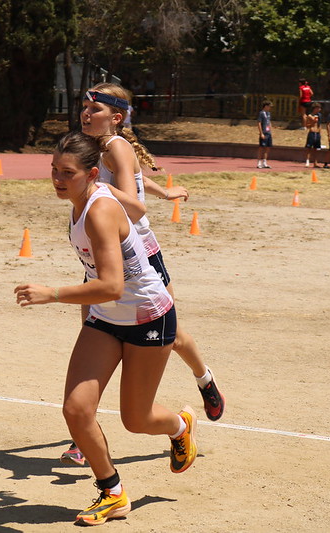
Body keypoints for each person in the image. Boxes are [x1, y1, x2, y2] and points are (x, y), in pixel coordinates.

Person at [14, 131, 198, 526]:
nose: (57, 179)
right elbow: (134, 218)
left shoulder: (99, 211)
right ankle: (112, 492)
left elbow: (113, 285)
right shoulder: (82, 201)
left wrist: (52, 294)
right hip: (106, 317)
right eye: (54, 170)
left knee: (137, 419)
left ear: (92, 174)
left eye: (67, 173)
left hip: (147, 315)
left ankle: (180, 426)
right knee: (77, 409)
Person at [59, 83, 226, 468]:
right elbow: (132, 181)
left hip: (139, 254)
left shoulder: (115, 146)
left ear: (115, 117)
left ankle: (204, 379)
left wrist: (97, 188)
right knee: (95, 333)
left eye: (95, 109)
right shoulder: (95, 148)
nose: (86, 113)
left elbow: (133, 207)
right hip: (103, 253)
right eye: (84, 106)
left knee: (170, 332)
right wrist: (163, 191)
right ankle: (83, 431)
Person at [303, 102, 322, 168]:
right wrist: (313, 123)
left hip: (317, 133)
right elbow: (307, 125)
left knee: (316, 149)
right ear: (315, 108)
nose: (319, 110)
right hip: (312, 132)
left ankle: (315, 162)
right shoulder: (310, 116)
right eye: (318, 108)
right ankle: (307, 161)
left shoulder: (319, 115)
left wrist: (320, 132)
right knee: (309, 148)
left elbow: (319, 125)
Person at [257, 100, 272, 169]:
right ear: (265, 106)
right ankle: (259, 162)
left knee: (268, 148)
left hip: (268, 133)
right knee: (261, 148)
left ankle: (264, 162)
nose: (270, 108)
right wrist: (261, 133)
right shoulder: (261, 113)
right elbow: (259, 123)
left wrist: (270, 130)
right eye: (269, 106)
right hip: (264, 133)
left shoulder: (269, 113)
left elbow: (269, 122)